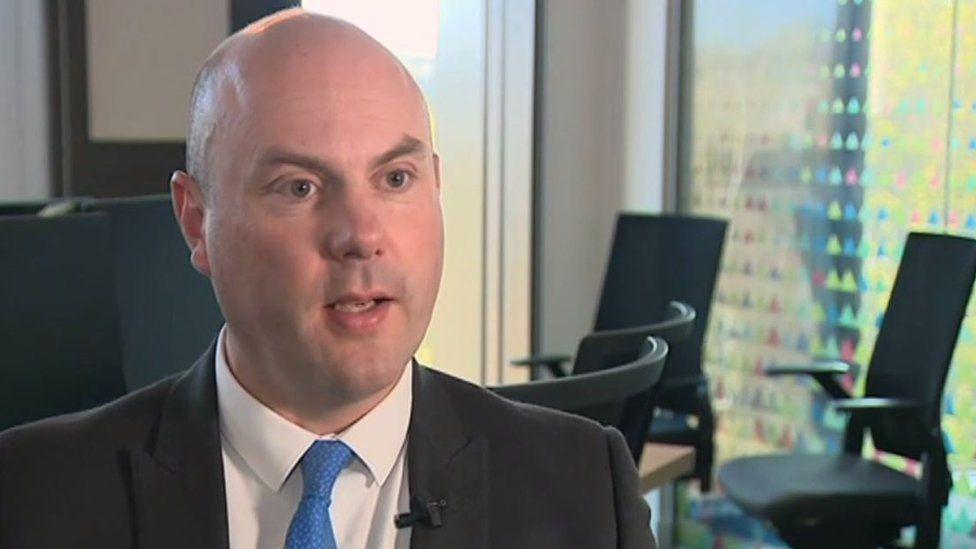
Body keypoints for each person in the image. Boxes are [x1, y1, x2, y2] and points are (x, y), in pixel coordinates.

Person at [0, 8, 655, 549]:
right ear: (197, 222)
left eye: (395, 179)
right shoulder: (34, 493)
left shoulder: (586, 489)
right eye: (301, 186)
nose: (361, 235)